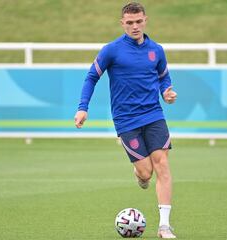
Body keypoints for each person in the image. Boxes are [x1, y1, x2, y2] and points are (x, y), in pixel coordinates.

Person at [74, 2, 177, 239]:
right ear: (122, 24)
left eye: (138, 21)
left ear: (145, 20)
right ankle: (139, 173)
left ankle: (164, 226)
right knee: (146, 173)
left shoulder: (157, 50)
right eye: (129, 22)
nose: (134, 26)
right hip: (126, 119)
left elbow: (164, 78)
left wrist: (167, 93)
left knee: (162, 163)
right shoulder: (112, 50)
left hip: (154, 114)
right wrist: (82, 108)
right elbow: (91, 77)